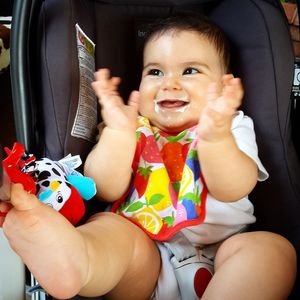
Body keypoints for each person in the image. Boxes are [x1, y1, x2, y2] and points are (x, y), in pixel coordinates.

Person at [0, 14, 296, 300]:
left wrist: (215, 138)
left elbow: (235, 187)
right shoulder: (132, 126)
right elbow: (104, 187)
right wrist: (118, 133)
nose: (169, 83)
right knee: (110, 229)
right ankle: (77, 259)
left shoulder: (231, 125)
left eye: (190, 70)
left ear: (222, 87)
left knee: (273, 251)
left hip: (225, 256)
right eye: (155, 72)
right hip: (146, 263)